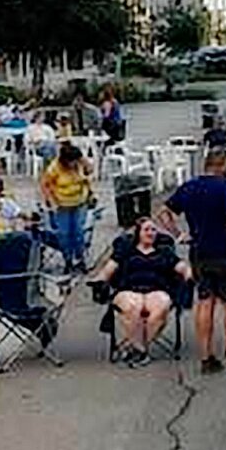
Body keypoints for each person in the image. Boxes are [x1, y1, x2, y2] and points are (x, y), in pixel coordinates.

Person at [159, 147, 226, 375]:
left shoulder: (189, 187)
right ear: (222, 164)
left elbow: (164, 212)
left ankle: (206, 357)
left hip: (200, 252)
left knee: (205, 301)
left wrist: (179, 234)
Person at [87, 218, 191, 366]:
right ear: (138, 233)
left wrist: (189, 275)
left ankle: (137, 348)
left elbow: (182, 267)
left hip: (157, 290)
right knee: (133, 306)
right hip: (128, 289)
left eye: (153, 230)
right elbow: (107, 270)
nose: (151, 233)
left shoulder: (165, 252)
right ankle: (141, 350)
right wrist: (98, 280)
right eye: (146, 230)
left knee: (162, 306)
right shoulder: (125, 251)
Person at [41, 141, 96, 269]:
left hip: (80, 202)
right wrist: (51, 201)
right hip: (62, 204)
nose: (73, 164)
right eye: (71, 162)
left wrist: (83, 161)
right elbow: (45, 185)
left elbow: (90, 170)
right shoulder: (54, 168)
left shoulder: (79, 164)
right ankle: (68, 259)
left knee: (78, 232)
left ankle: (80, 258)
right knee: (64, 234)